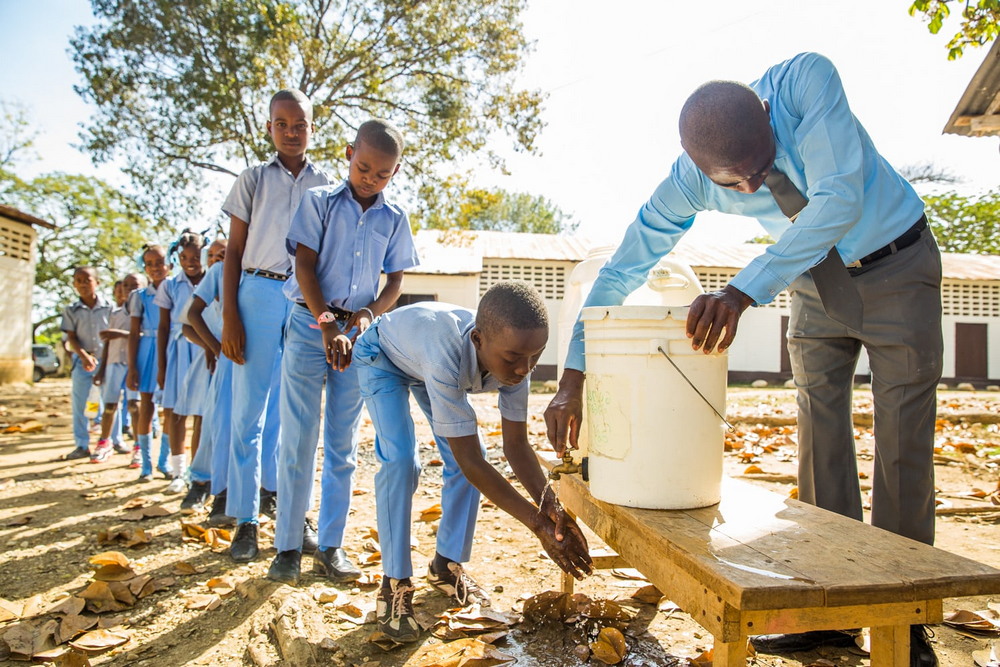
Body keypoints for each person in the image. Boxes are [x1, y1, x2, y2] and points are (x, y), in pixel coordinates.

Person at [543, 52, 941, 667]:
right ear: (701, 171)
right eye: (733, 182)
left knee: (901, 437)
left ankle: (907, 616)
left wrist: (739, 291)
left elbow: (838, 201)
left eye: (761, 166)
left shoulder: (806, 85)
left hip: (898, 263)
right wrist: (573, 375)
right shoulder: (687, 180)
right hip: (812, 280)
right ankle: (828, 614)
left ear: (766, 115)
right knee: (820, 433)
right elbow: (623, 268)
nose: (754, 187)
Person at [353, 280, 593, 644]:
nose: (524, 369)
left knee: (468, 455)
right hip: (384, 356)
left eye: (536, 357)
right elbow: (472, 461)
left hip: (424, 360)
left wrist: (552, 508)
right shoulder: (446, 354)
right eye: (513, 359)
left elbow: (516, 447)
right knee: (402, 461)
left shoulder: (517, 355)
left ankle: (445, 566)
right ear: (478, 340)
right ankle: (394, 584)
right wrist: (537, 525)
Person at [266, 119, 419, 586]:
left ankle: (331, 545)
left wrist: (365, 318)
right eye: (364, 166)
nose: (370, 178)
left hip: (356, 334)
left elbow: (395, 281)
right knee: (297, 437)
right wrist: (327, 324)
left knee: (343, 443)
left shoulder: (394, 219)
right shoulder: (319, 202)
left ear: (394, 174)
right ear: (348, 154)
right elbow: (304, 265)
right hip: (310, 322)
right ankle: (288, 546)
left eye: (382, 174)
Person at [221, 89, 331, 561]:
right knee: (248, 414)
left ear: (311, 127)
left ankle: (294, 515)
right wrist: (230, 314)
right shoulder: (252, 179)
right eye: (282, 123)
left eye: (300, 123)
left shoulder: (326, 183)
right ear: (269, 128)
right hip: (257, 293)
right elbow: (232, 251)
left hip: (305, 300)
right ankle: (245, 521)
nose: (291, 131)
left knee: (297, 418)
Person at [179, 237, 228, 514]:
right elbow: (188, 324)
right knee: (206, 421)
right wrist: (213, 346)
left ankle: (226, 487)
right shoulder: (208, 285)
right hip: (212, 363)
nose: (215, 259)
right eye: (211, 255)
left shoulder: (241, 281)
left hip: (236, 362)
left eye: (221, 254)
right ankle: (199, 480)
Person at [156, 231, 207, 494]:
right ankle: (177, 471)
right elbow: (164, 326)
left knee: (200, 413)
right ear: (177, 257)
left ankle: (196, 473)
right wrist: (162, 366)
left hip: (204, 349)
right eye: (185, 257)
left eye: (196, 256)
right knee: (176, 412)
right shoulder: (170, 285)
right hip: (178, 350)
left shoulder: (213, 279)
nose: (191, 261)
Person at [92, 273, 147, 462]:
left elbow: (143, 335)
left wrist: (120, 334)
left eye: (135, 285)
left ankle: (139, 447)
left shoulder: (147, 311)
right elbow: (108, 342)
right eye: (126, 285)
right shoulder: (115, 313)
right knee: (109, 405)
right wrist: (101, 369)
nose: (129, 289)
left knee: (134, 405)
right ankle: (105, 442)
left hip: (136, 363)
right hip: (114, 362)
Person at [60, 267, 113, 461]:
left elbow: (112, 336)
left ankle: (111, 441)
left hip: (107, 361)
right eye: (78, 280)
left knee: (110, 401)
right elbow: (70, 337)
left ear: (97, 282)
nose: (83, 284)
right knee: (80, 404)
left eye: (87, 280)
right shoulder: (71, 310)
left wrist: (104, 360)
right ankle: (82, 445)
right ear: (74, 284)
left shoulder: (109, 308)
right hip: (82, 362)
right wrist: (83, 356)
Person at [127, 244, 171, 480]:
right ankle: (146, 463)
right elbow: (134, 333)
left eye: (159, 262)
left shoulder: (175, 288)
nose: (155, 268)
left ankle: (165, 461)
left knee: (171, 408)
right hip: (147, 350)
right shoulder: (139, 297)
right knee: (146, 405)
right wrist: (132, 366)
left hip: (171, 348)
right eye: (149, 264)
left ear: (169, 263)